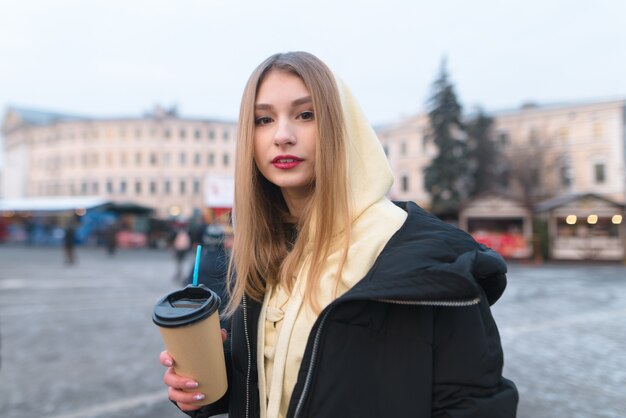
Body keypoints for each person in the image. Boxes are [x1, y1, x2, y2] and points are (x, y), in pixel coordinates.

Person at [160, 51, 518, 417]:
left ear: (342, 125)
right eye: (263, 119)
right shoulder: (261, 250)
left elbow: (475, 405)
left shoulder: (431, 261)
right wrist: (210, 387)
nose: (282, 136)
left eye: (305, 114)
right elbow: (285, 383)